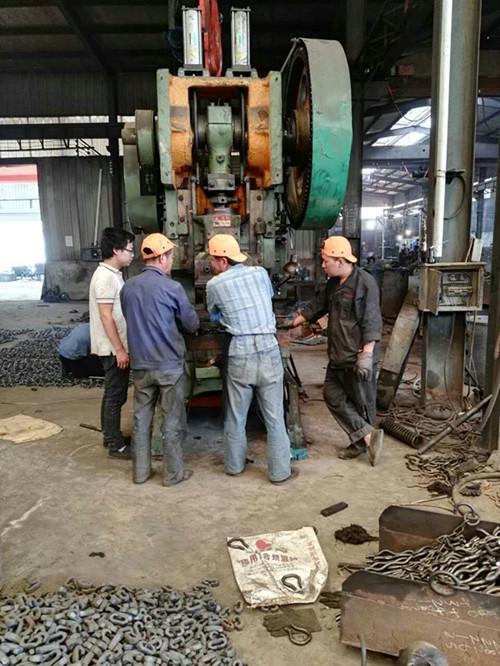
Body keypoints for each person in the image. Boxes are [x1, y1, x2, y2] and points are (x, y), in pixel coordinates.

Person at [206, 234, 299, 485]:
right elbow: (267, 297)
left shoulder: (214, 285)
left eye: (212, 259)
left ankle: (234, 467)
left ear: (223, 260)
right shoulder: (259, 273)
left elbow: (213, 316)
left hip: (240, 352)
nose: (210, 264)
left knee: (236, 416)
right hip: (269, 348)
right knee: (275, 417)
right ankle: (280, 472)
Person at [290, 236, 384, 466]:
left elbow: (371, 320)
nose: (322, 265)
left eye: (326, 261)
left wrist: (367, 354)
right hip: (337, 355)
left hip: (356, 356)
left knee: (362, 403)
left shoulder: (365, 283)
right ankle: (368, 437)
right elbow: (316, 306)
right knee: (332, 396)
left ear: (340, 261)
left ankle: (361, 444)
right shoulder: (333, 283)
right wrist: (291, 323)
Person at [120, 233, 200, 486]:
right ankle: (173, 475)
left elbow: (131, 318)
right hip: (169, 366)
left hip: (141, 365)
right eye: (171, 257)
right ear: (162, 257)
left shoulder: (127, 287)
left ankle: (141, 473)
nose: (171, 262)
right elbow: (192, 324)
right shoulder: (172, 288)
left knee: (141, 421)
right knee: (172, 422)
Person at [89, 227, 135, 460]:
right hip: (112, 348)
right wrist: (119, 349)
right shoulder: (105, 278)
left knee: (113, 394)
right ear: (116, 250)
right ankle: (115, 446)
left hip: (114, 346)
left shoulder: (113, 274)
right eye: (129, 249)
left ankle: (110, 436)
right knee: (115, 396)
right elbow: (106, 316)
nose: (132, 254)